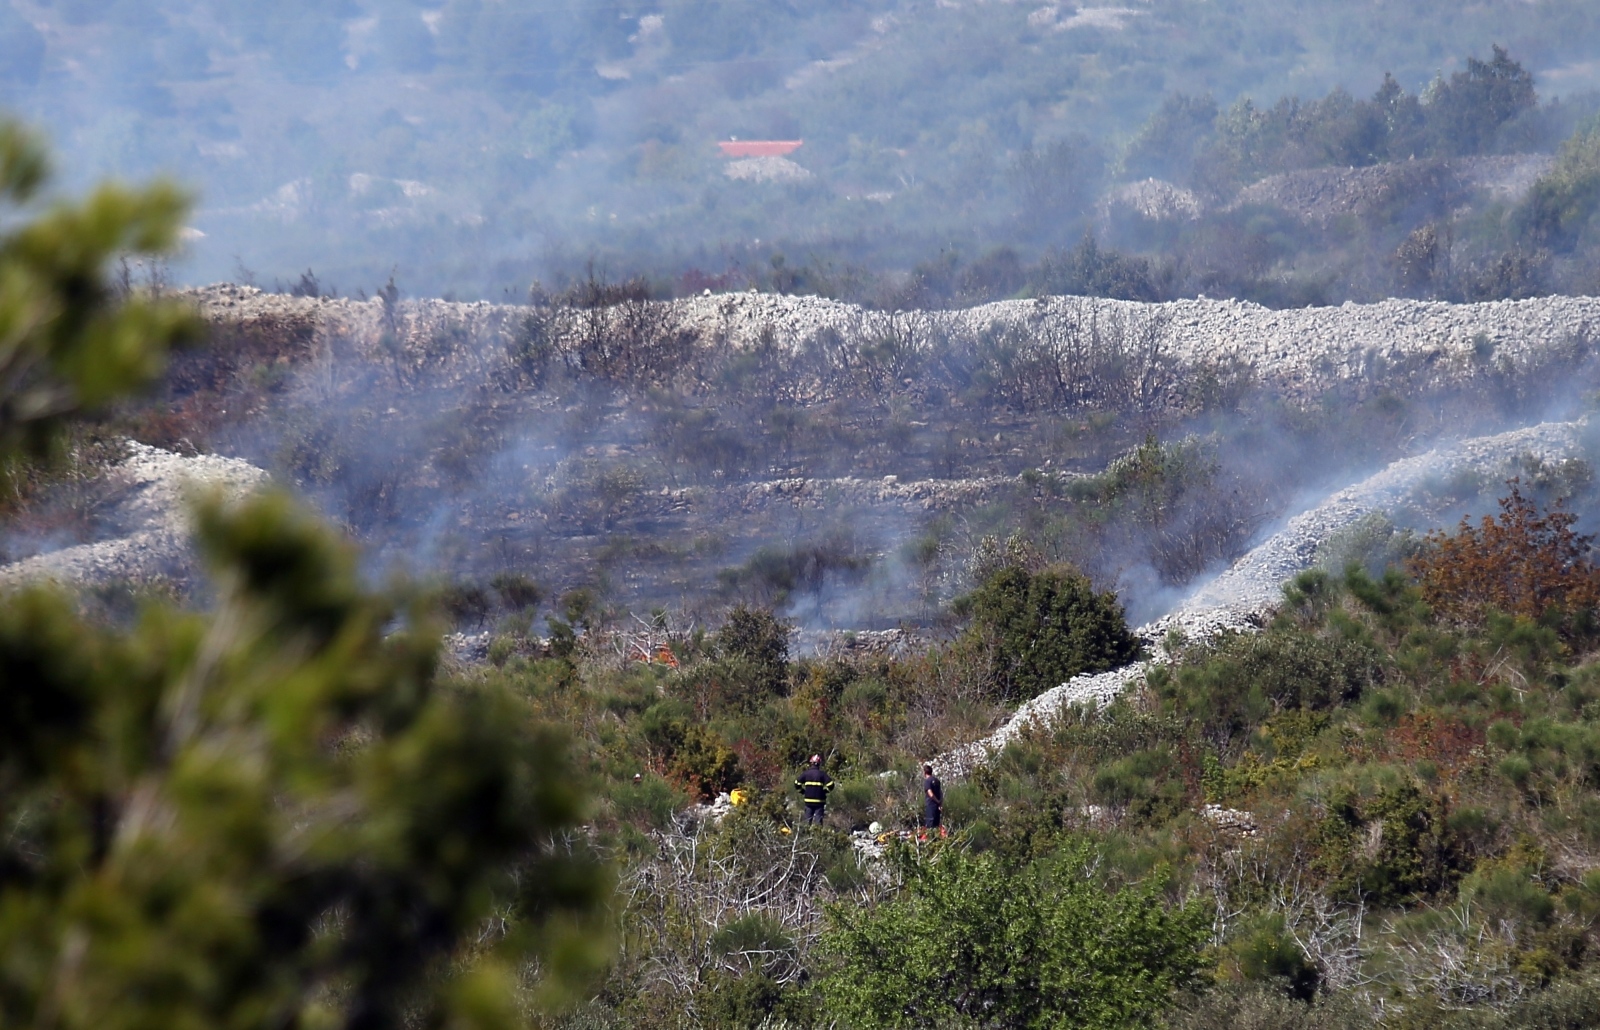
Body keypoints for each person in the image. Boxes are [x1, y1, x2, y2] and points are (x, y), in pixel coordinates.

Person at [794, 754, 835, 826]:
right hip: (819, 802)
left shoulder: (806, 774)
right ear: (819, 764)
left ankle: (806, 836)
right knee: (818, 822)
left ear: (811, 763)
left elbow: (796, 784)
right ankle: (818, 836)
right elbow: (831, 784)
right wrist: (825, 791)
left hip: (808, 802)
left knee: (807, 822)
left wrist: (802, 791)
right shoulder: (822, 774)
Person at [921, 762, 945, 839]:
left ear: (924, 773)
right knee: (936, 826)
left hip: (931, 806)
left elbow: (930, 793)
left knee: (930, 826)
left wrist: (936, 801)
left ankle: (930, 842)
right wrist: (940, 803)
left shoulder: (927, 781)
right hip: (937, 807)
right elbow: (941, 793)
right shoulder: (937, 781)